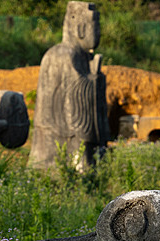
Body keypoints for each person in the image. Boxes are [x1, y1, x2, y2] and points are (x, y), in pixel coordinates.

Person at [29, 2, 109, 170]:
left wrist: (96, 77)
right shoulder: (66, 54)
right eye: (95, 29)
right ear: (80, 28)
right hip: (60, 131)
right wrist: (94, 78)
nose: (98, 34)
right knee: (79, 162)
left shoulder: (81, 55)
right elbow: (77, 93)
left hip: (66, 129)